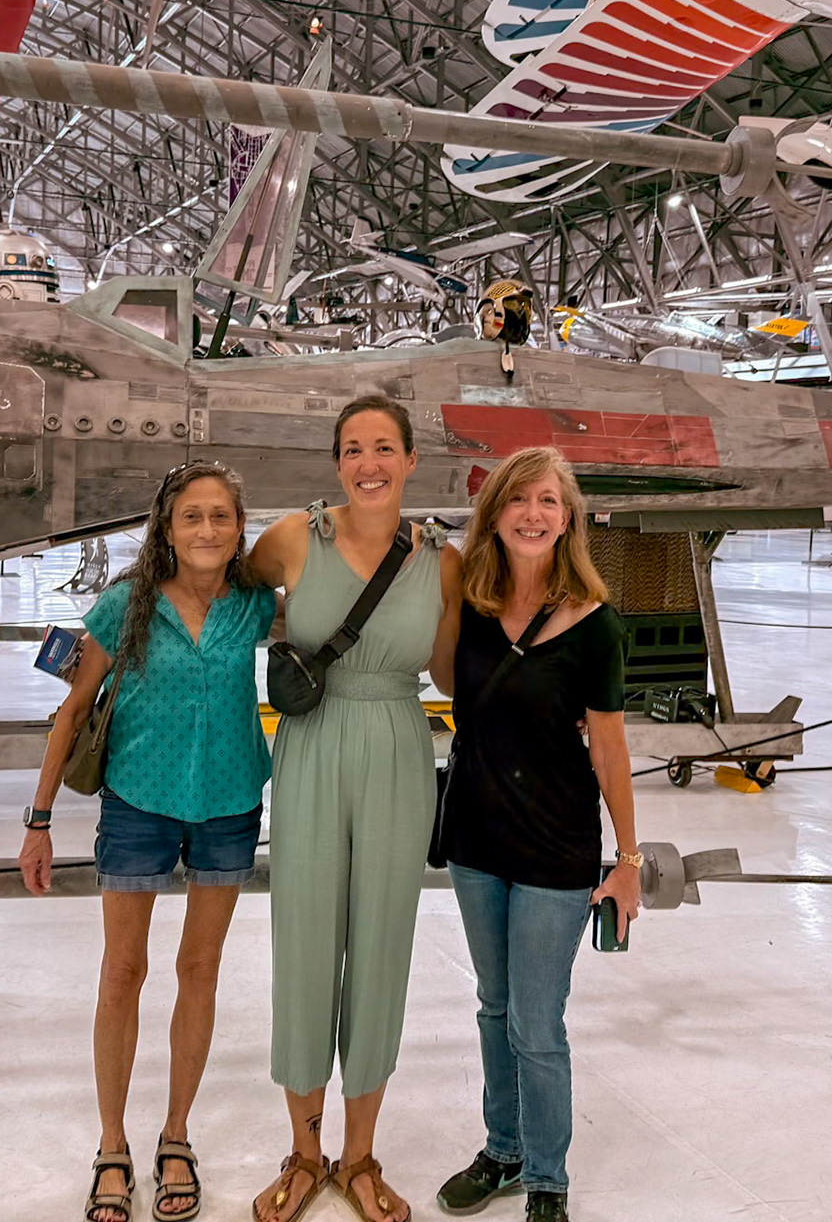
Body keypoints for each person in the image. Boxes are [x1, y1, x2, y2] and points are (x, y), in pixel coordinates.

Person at [19, 461, 278, 1222]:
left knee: (199, 969)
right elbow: (73, 715)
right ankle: (110, 1144)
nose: (206, 530)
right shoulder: (122, 605)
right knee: (121, 972)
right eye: (191, 516)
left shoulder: (255, 606)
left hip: (230, 801)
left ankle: (175, 1136)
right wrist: (38, 822)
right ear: (167, 527)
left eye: (221, 518)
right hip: (138, 802)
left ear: (239, 530)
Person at [246, 396, 461, 1222]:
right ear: (337, 463)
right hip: (310, 742)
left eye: (383, 448)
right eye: (351, 450)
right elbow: (222, 595)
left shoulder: (440, 561)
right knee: (302, 941)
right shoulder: (296, 540)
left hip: (400, 747)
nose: (367, 463)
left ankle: (361, 1155)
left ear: (410, 461)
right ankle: (305, 1154)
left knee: (380, 945)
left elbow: (448, 675)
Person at [432, 446, 641, 1222]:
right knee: (493, 1004)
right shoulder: (479, 608)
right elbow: (450, 685)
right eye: (518, 500)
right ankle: (504, 1148)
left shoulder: (597, 625)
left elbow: (611, 750)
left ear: (569, 518)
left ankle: (547, 1177)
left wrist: (627, 860)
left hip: (555, 848)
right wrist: (449, 590)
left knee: (535, 1022)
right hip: (477, 839)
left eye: (548, 501)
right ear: (496, 515)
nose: (532, 514)